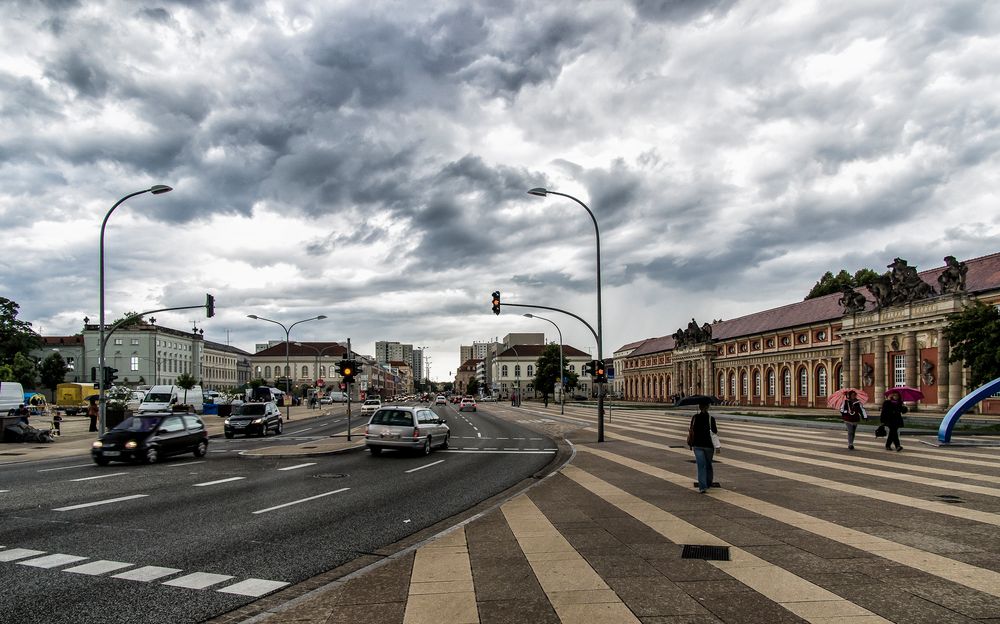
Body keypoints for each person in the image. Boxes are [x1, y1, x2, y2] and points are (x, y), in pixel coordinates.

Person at [688, 400, 719, 493]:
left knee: (701, 466)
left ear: (700, 407)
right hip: (709, 445)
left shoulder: (695, 417)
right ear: (708, 407)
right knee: (708, 464)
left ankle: (702, 487)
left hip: (697, 445)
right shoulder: (711, 418)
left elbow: (691, 430)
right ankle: (708, 483)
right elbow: (715, 431)